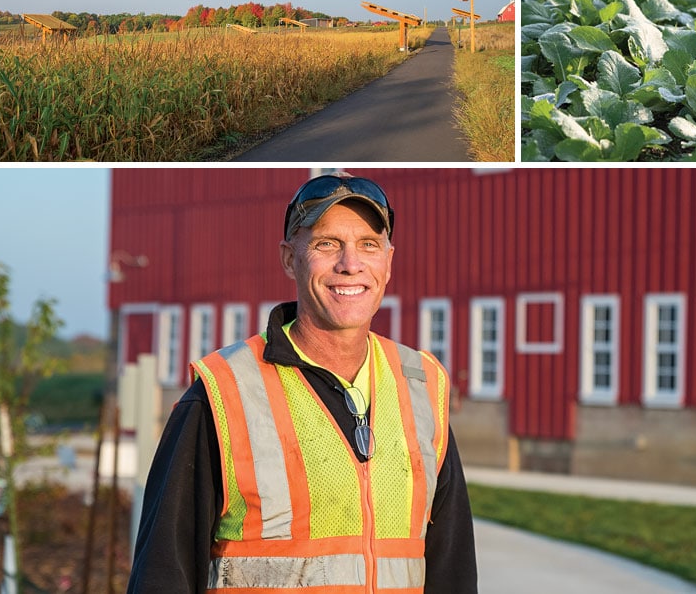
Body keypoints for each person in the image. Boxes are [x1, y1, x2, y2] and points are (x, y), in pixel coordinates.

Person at [127, 173, 478, 594]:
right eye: (326, 244)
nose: (351, 263)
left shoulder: (422, 384)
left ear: (389, 261)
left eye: (369, 244)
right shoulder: (223, 393)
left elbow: (452, 569)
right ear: (290, 259)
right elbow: (163, 573)